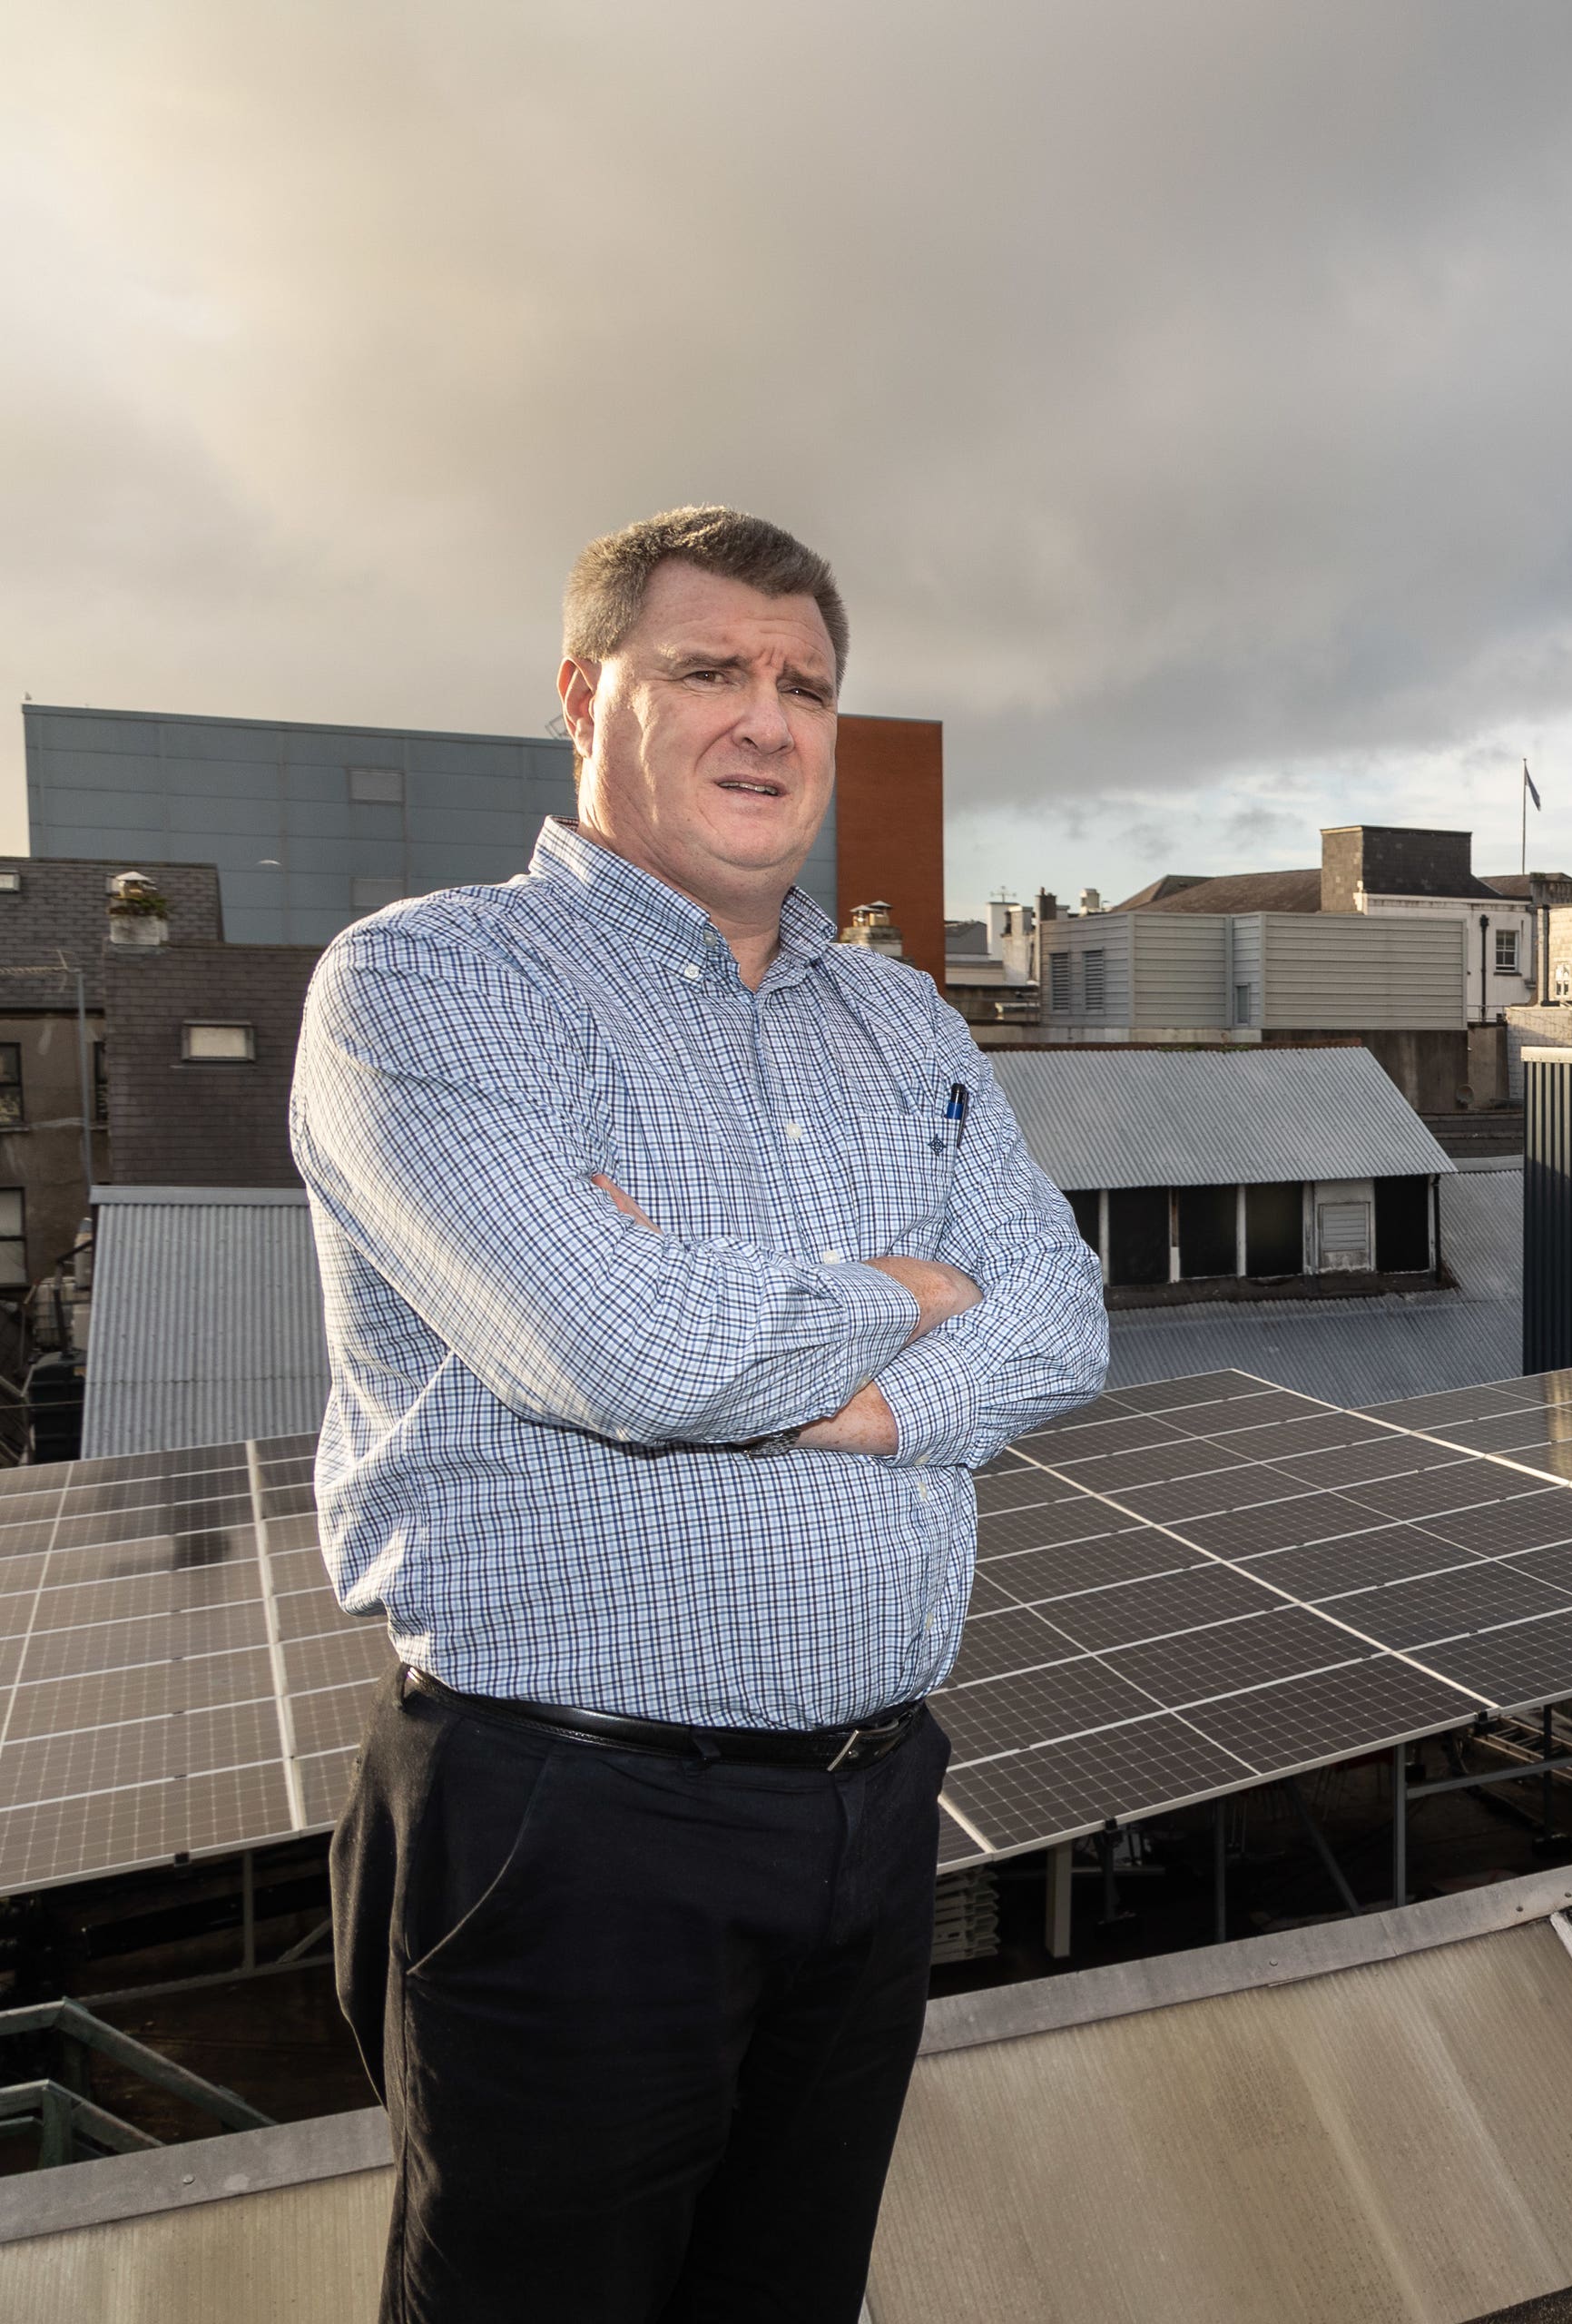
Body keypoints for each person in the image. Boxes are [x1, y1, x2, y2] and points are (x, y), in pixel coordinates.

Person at [291, 507, 1108, 2323]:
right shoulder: (428, 984)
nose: (769, 718)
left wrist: (841, 1405)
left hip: (873, 1815)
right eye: (710, 669)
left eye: (806, 682)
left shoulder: (909, 1026)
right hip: (570, 1826)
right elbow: (635, 1353)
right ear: (588, 695)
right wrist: (911, 1289)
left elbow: (1061, 1317)